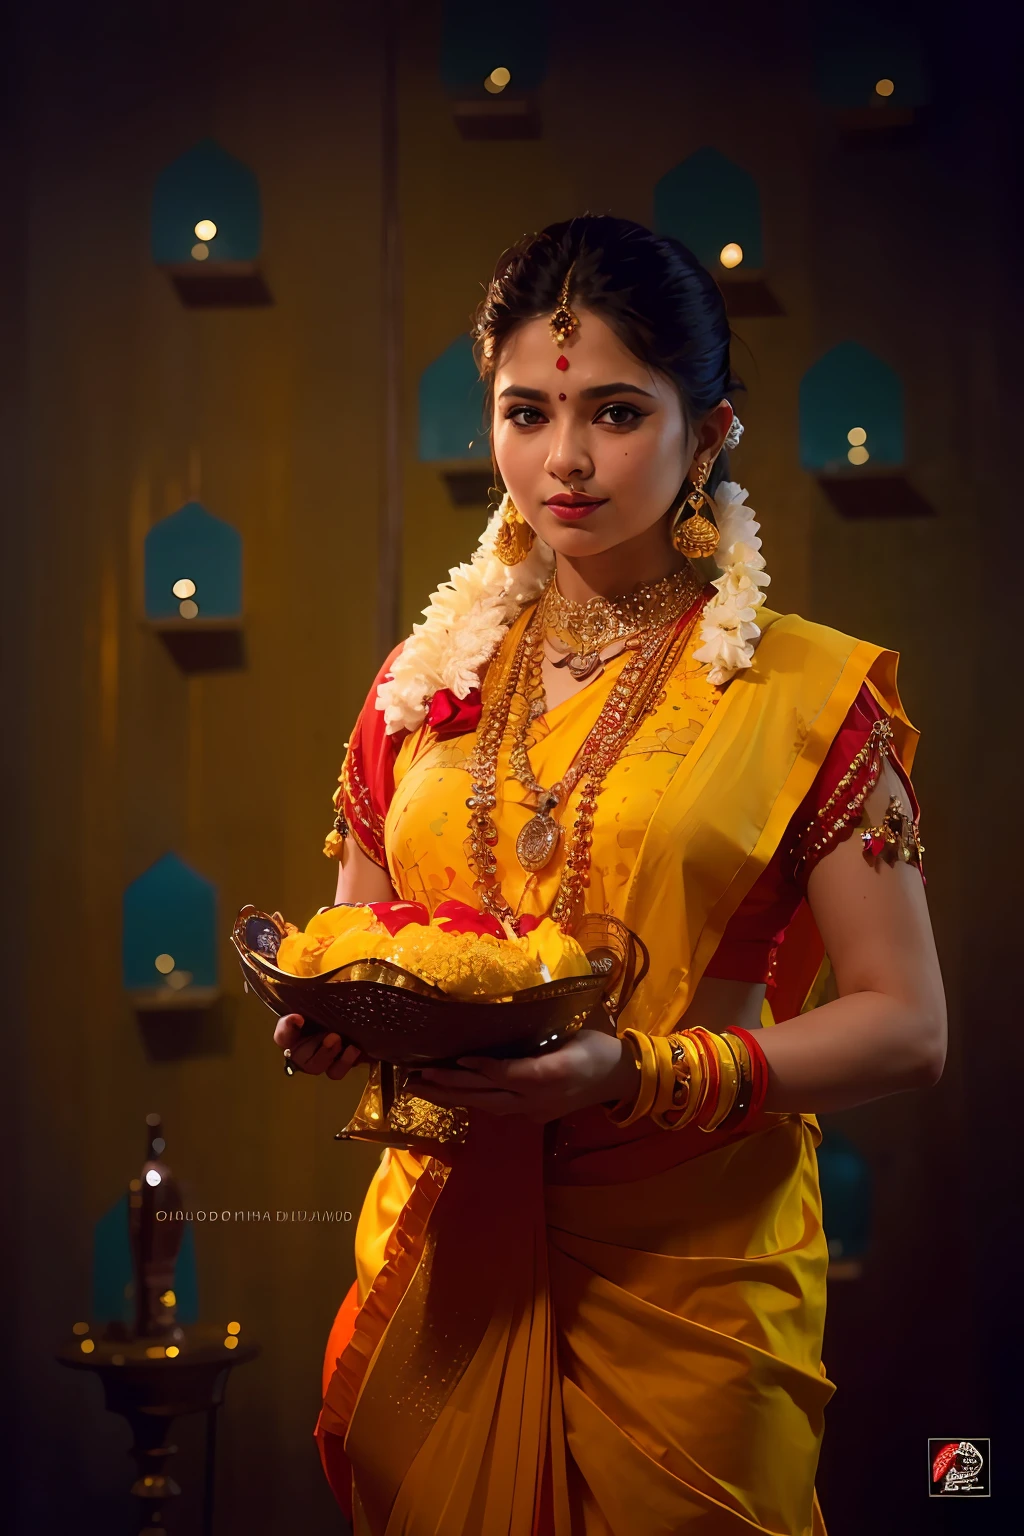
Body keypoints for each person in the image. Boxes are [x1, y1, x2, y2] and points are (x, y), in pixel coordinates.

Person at [274, 215, 946, 1535]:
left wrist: (637, 1071)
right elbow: (361, 936)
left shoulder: (807, 694)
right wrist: (334, 1018)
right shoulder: (424, 690)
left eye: (619, 413)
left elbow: (908, 1027)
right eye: (528, 412)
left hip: (687, 1287)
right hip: (447, 1271)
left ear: (711, 435)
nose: (565, 460)